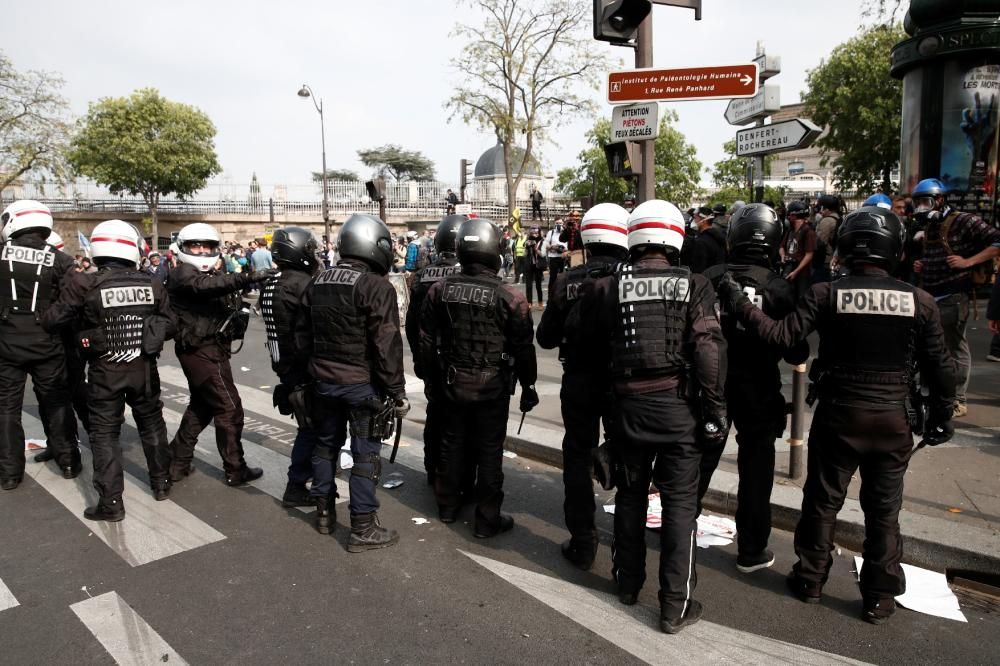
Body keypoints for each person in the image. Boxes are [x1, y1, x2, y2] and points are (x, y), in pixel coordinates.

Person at [718, 206, 957, 625]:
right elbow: (942, 367)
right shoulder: (919, 301)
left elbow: (781, 336)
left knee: (823, 501)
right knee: (883, 510)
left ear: (845, 247)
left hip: (839, 416)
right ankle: (879, 597)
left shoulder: (827, 294)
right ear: (895, 249)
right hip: (893, 420)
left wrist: (739, 303)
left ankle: (810, 579)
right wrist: (941, 416)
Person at [595, 199, 727, 634]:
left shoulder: (611, 286)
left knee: (630, 498)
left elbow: (596, 353)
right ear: (675, 237)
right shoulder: (695, 285)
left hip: (627, 410)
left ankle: (628, 584)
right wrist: (714, 410)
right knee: (680, 506)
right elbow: (708, 351)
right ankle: (674, 606)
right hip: (678, 411)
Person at [42, 220, 176, 520]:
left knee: (104, 434)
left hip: (105, 369)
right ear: (131, 247)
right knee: (152, 424)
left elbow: (53, 319)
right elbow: (171, 324)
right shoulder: (150, 282)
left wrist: (84, 332)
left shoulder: (83, 282)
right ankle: (161, 483)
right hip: (143, 368)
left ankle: (111, 503)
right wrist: (147, 332)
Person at [702, 204, 809, 573]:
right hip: (759, 388)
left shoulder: (708, 277)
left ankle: (678, 527)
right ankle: (751, 550)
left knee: (699, 461)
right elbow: (796, 348)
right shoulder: (779, 286)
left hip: (710, 385)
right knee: (756, 470)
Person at [295, 213, 409, 550]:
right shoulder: (376, 286)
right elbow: (387, 344)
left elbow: (302, 338)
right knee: (365, 456)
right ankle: (362, 527)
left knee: (325, 446)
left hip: (323, 383)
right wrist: (397, 391)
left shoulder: (316, 282)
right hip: (362, 386)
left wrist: (307, 376)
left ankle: (324, 513)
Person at [418, 217, 538, 538]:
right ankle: (486, 521)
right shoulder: (510, 298)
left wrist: (432, 379)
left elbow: (427, 342)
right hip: (492, 387)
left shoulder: (439, 291)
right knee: (489, 451)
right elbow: (524, 348)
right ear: (495, 251)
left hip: (452, 382)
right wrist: (529, 386)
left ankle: (447, 506)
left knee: (451, 442)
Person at [536, 203, 629, 570]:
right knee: (627, 457)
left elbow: (545, 338)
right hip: (623, 382)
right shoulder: (631, 278)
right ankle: (626, 547)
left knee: (576, 456)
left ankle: (583, 542)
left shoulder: (567, 280)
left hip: (579, 378)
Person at [167, 223, 275, 487]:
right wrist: (250, 276)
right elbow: (205, 286)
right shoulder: (183, 274)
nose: (202, 251)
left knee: (202, 407)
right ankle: (235, 469)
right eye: (196, 246)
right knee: (229, 408)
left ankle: (175, 461)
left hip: (209, 350)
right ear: (184, 248)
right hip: (201, 353)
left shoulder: (208, 273)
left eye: (207, 246)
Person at [0, 201, 81, 489]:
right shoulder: (59, 259)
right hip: (47, 343)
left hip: (7, 343)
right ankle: (69, 460)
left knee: (7, 409)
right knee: (56, 403)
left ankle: (10, 473)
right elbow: (77, 296)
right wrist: (51, 319)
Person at [910, 177, 1000, 418]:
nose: (921, 207)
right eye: (918, 202)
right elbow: (935, 254)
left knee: (954, 346)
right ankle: (934, 394)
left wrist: (969, 261)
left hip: (953, 295)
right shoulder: (930, 226)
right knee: (929, 345)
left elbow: (997, 241)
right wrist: (923, 265)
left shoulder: (964, 220)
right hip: (929, 295)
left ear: (940, 199)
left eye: (926, 201)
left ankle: (957, 399)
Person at [259, 227, 322, 508]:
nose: (314, 254)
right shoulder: (301, 284)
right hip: (302, 367)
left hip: (284, 365)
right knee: (312, 428)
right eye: (310, 249)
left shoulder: (273, 282)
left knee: (308, 426)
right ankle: (298, 484)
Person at [405, 214, 464, 486]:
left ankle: (433, 470)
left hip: (431, 358)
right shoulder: (469, 272)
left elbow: (412, 322)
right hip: (461, 360)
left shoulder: (423, 276)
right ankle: (456, 477)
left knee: (435, 414)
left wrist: (419, 357)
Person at [781, 201, 817, 301]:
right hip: (789, 269)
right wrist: (783, 256)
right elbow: (782, 247)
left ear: (794, 216)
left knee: (801, 299)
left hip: (802, 274)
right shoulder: (790, 230)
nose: (788, 217)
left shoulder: (808, 232)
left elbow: (809, 255)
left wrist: (796, 272)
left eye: (790, 214)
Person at [812, 194, 843, 283]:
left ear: (825, 208)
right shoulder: (840, 218)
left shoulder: (826, 221)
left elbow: (819, 243)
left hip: (825, 262)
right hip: (836, 260)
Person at [523, 225, 546, 309]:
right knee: (528, 285)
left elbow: (543, 254)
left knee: (538, 285)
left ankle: (540, 302)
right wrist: (527, 247)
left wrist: (535, 248)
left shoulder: (542, 241)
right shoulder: (527, 240)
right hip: (529, 265)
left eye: (536, 232)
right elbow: (524, 254)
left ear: (539, 232)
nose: (535, 234)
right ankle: (529, 303)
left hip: (538, 265)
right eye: (533, 232)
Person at [544, 219, 568, 297]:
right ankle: (550, 297)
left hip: (563, 258)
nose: (558, 225)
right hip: (553, 257)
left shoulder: (566, 232)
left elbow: (570, 246)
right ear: (554, 224)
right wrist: (552, 247)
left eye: (560, 223)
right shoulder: (551, 233)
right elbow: (546, 245)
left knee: (563, 278)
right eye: (557, 223)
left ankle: (562, 296)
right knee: (553, 278)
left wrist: (563, 250)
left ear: (563, 223)